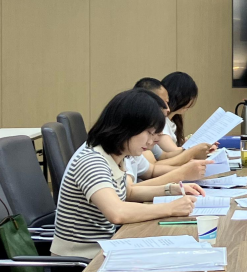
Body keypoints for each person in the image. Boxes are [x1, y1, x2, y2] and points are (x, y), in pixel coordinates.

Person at [51, 89, 199, 258]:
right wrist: (170, 208)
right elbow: (117, 212)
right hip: (81, 259)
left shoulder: (118, 156)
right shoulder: (91, 160)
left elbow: (127, 192)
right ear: (127, 126)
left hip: (106, 247)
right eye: (149, 133)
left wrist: (170, 189)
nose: (152, 141)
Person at [126, 79, 209, 185]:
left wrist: (188, 168)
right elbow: (130, 191)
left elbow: (153, 169)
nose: (167, 108)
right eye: (150, 132)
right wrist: (185, 168)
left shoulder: (133, 150)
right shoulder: (120, 152)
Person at [154, 71, 212, 162]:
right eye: (190, 97)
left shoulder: (172, 120)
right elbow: (173, 151)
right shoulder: (161, 123)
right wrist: (198, 149)